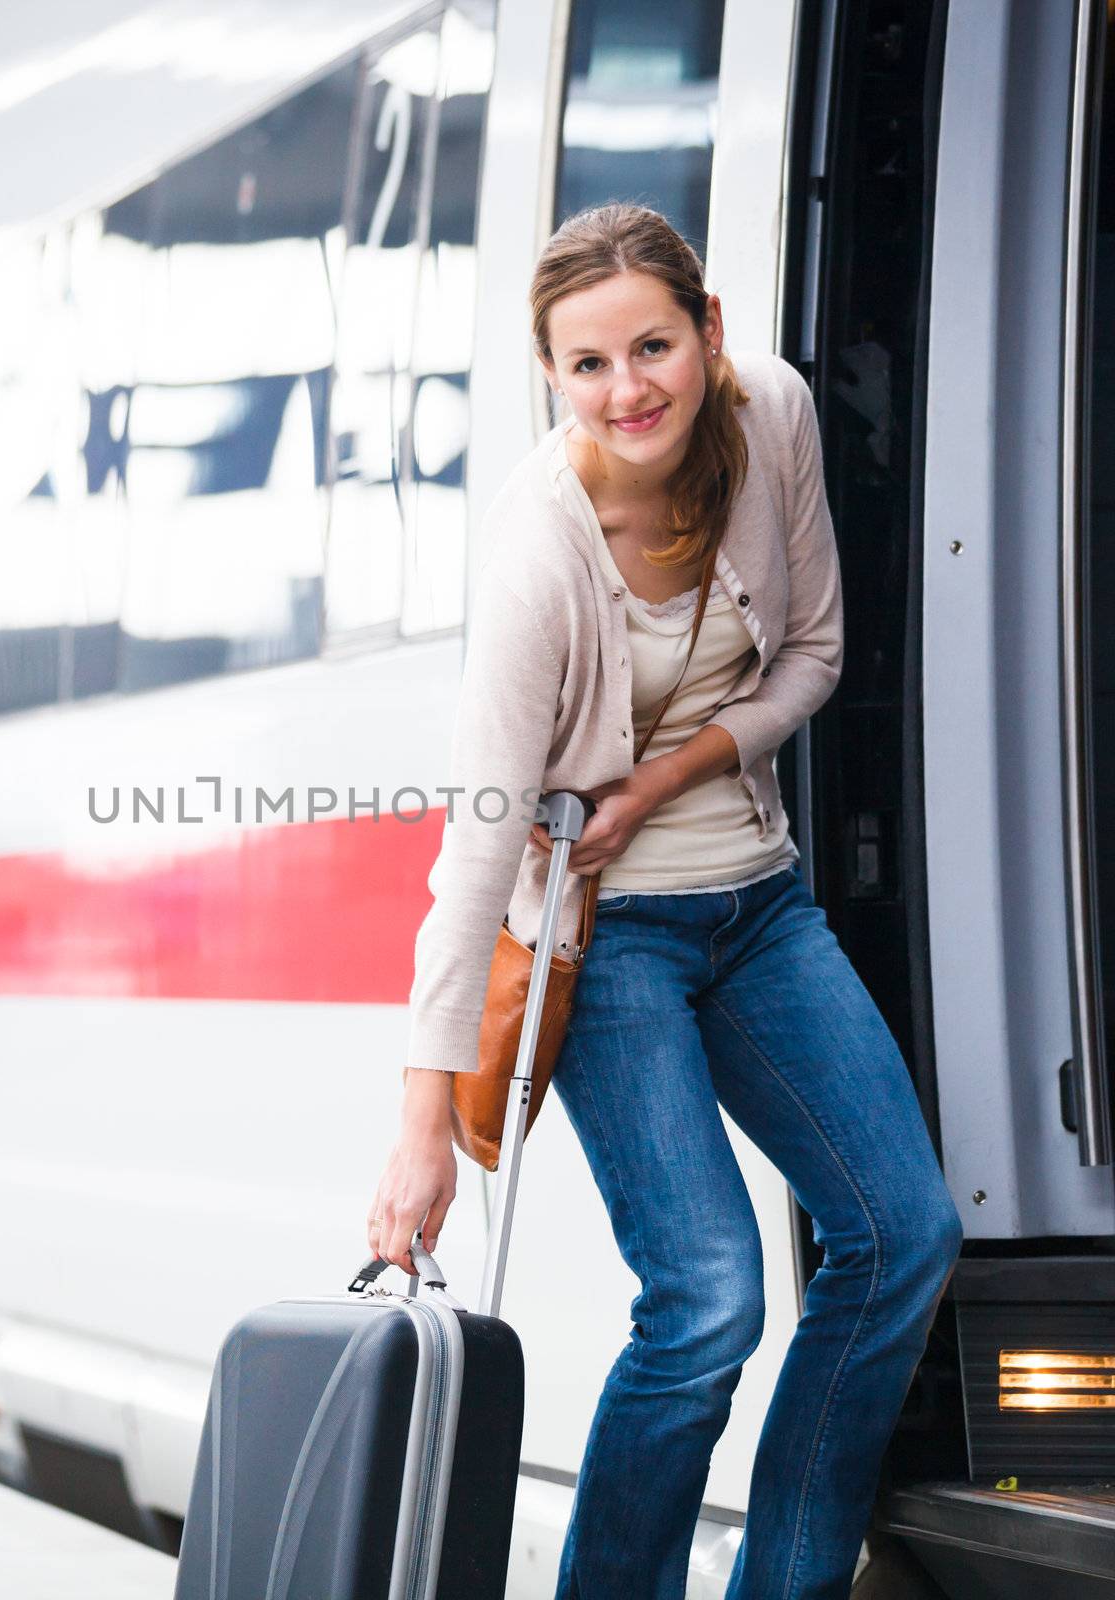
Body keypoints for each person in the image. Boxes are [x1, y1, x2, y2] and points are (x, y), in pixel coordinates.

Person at [364, 201, 964, 1600]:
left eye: (654, 345)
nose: (628, 388)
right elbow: (477, 848)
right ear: (550, 376)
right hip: (606, 938)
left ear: (708, 334)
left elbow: (810, 654)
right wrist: (419, 1129)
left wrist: (669, 773)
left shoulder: (777, 422)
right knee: (707, 1301)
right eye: (588, 364)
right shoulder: (539, 557)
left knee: (902, 1235)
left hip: (756, 905)